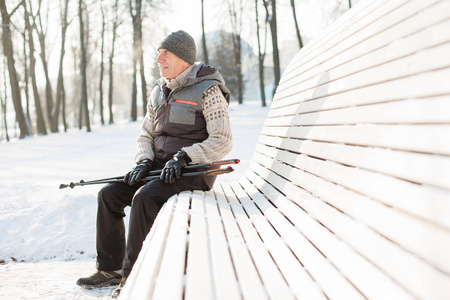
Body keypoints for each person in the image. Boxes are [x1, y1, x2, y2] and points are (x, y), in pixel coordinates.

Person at [76, 30, 232, 298]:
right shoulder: (159, 90)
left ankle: (134, 275)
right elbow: (146, 135)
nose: (158, 59)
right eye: (159, 53)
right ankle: (108, 269)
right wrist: (144, 160)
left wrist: (185, 156)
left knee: (144, 198)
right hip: (159, 166)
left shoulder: (209, 90)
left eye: (165, 54)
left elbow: (223, 140)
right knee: (109, 195)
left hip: (195, 169)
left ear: (183, 59)